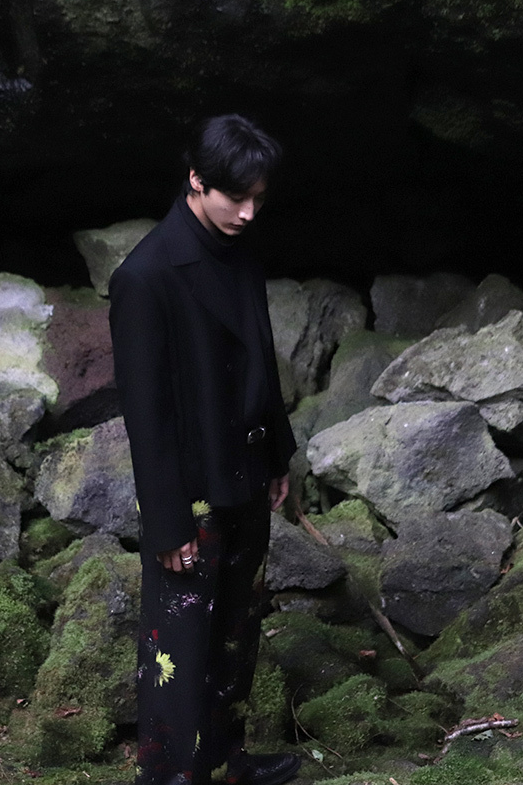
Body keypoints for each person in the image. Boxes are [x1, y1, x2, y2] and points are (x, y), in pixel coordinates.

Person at [108, 114, 300, 785]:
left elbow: (260, 359)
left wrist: (277, 456)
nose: (248, 213)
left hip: (246, 466)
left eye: (258, 199)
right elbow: (145, 414)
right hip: (192, 490)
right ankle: (169, 776)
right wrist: (166, 521)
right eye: (235, 198)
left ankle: (226, 762)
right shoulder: (146, 276)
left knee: (237, 629)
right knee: (179, 643)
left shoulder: (237, 250)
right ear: (196, 180)